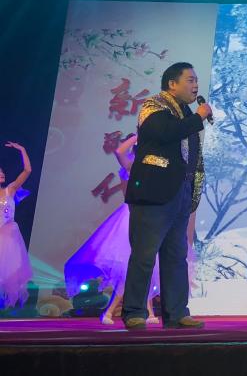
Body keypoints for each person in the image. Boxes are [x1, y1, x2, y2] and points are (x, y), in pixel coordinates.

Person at [122, 62, 210, 330]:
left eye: (196, 80)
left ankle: (176, 313)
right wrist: (198, 118)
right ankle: (134, 312)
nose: (196, 85)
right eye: (190, 80)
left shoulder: (186, 112)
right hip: (154, 192)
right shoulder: (154, 106)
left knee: (176, 255)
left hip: (180, 193)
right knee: (145, 254)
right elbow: (165, 133)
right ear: (172, 83)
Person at [64, 134, 160, 324]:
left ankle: (149, 312)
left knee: (147, 265)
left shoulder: (152, 165)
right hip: (131, 218)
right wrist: (139, 135)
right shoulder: (131, 165)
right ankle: (109, 312)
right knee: (129, 268)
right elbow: (119, 151)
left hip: (148, 217)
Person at [0, 141, 32, 310]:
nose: (2, 173)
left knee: (8, 273)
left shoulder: (10, 190)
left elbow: (27, 170)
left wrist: (22, 149)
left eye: (2, 171)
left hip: (8, 237)